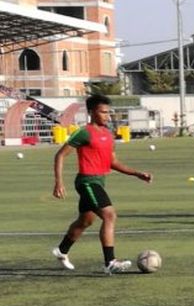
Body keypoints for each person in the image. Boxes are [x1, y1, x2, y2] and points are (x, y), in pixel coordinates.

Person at [51, 94, 152, 274]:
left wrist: (137, 173)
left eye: (108, 112)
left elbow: (112, 162)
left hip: (99, 181)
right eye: (103, 112)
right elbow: (60, 155)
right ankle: (110, 262)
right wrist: (58, 182)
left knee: (85, 221)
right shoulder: (84, 132)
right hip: (87, 181)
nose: (107, 116)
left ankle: (61, 250)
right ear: (92, 112)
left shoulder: (108, 134)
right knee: (109, 215)